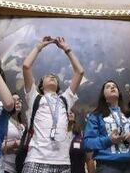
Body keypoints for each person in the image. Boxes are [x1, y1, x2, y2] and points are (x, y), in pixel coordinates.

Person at [21, 36, 84, 173]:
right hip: (36, 160)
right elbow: (26, 66)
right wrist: (39, 47)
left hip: (63, 163)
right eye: (48, 76)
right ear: (41, 86)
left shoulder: (65, 99)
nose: (52, 77)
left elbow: (79, 72)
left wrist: (67, 49)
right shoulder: (35, 97)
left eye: (55, 77)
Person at [84, 80, 130, 173]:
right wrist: (109, 140)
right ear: (103, 95)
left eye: (114, 86)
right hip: (108, 165)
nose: (112, 87)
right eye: (108, 87)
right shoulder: (95, 115)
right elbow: (88, 143)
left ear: (119, 93)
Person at [0, 94, 26, 173]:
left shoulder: (23, 126)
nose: (17, 102)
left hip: (17, 167)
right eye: (14, 100)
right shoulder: (3, 120)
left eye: (19, 100)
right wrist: (15, 144)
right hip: (3, 165)